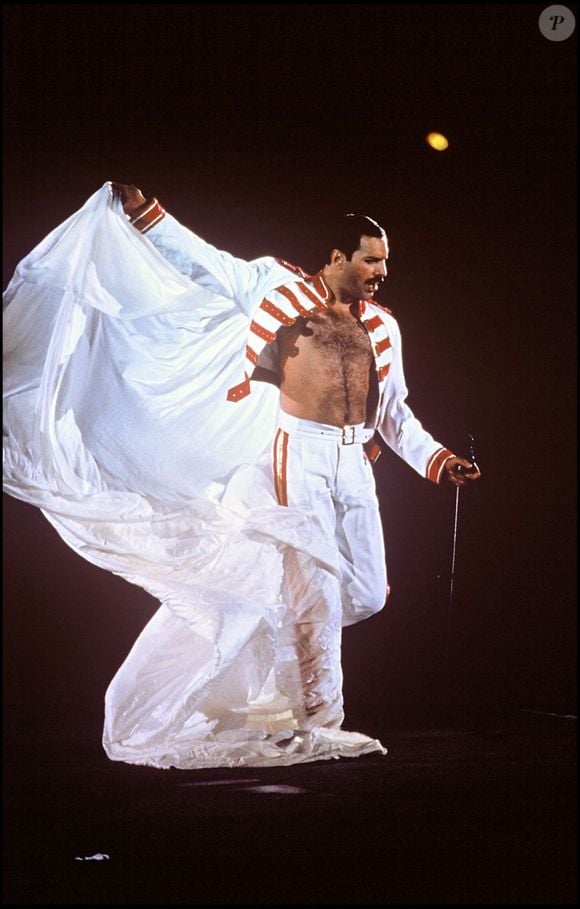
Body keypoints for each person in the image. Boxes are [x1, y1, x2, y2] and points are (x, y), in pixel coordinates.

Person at [3, 182, 480, 769]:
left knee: (364, 592)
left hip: (355, 463)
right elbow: (205, 263)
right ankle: (318, 720)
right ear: (336, 258)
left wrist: (438, 459)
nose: (382, 271)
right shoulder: (272, 287)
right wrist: (148, 216)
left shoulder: (383, 326)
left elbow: (394, 413)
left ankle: (273, 645)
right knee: (317, 595)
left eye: (385, 260)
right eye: (371, 259)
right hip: (296, 455)